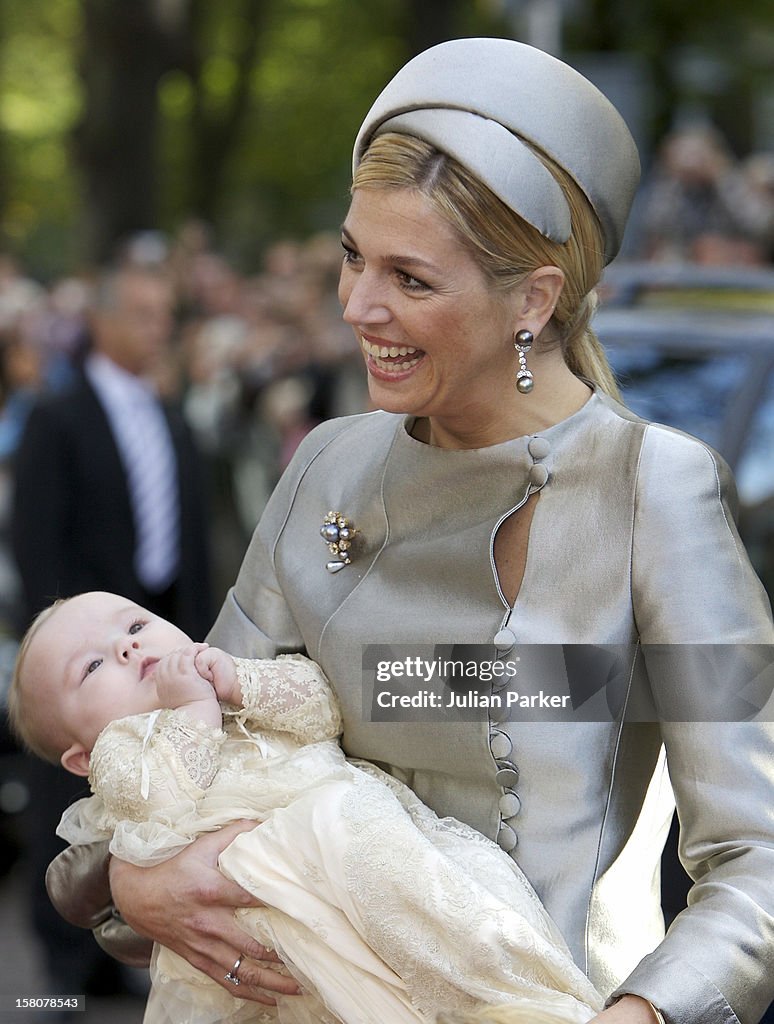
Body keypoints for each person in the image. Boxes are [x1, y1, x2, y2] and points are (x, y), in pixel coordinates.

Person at [46, 38, 774, 1024]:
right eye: (352, 255)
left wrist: (641, 1014)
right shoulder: (326, 468)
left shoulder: (655, 494)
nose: (356, 306)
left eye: (411, 279)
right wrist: (136, 886)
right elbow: (160, 745)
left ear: (533, 301)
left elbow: (753, 860)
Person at [10, 591, 602, 1024]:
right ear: (79, 760)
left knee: (446, 917)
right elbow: (158, 802)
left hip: (381, 860)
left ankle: (522, 991)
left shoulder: (224, 683)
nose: (128, 646)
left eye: (136, 623)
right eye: (91, 667)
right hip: (285, 925)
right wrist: (192, 714)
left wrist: (244, 684)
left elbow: (324, 704)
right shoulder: (125, 749)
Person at [10, 264, 212, 1000]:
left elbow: (190, 533)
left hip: (154, 631)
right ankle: (61, 977)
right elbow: (35, 535)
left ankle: (128, 956)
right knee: (68, 815)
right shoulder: (57, 415)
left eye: (165, 314)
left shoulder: (171, 413)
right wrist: (64, 656)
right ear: (101, 320)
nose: (157, 328)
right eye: (141, 313)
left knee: (161, 804)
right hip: (81, 653)